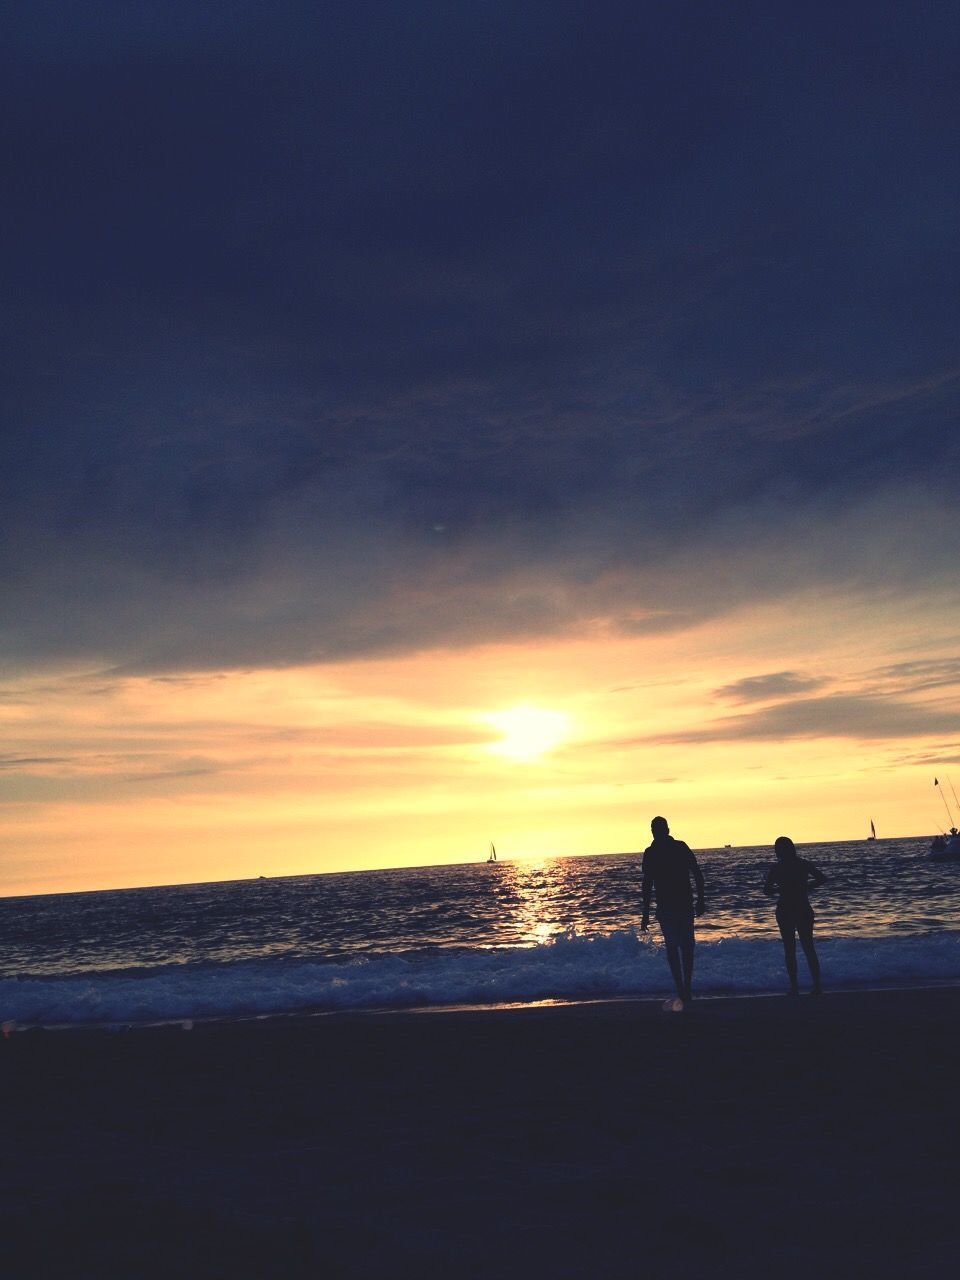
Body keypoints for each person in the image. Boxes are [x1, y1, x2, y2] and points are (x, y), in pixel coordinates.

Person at [640, 816, 706, 1005]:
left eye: (656, 829)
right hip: (674, 906)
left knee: (679, 947)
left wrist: (701, 900)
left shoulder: (672, 849)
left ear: (662, 831)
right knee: (681, 947)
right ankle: (684, 987)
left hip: (677, 906)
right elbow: (648, 884)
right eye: (655, 829)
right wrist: (701, 899)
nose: (655, 833)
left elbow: (696, 873)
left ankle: (683, 987)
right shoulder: (659, 851)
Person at [764, 836, 825, 996]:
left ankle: (794, 987)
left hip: (785, 908)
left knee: (789, 948)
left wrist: (781, 890)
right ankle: (817, 986)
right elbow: (822, 878)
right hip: (803, 907)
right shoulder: (803, 864)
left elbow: (767, 890)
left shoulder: (776, 868)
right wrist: (805, 886)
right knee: (808, 947)